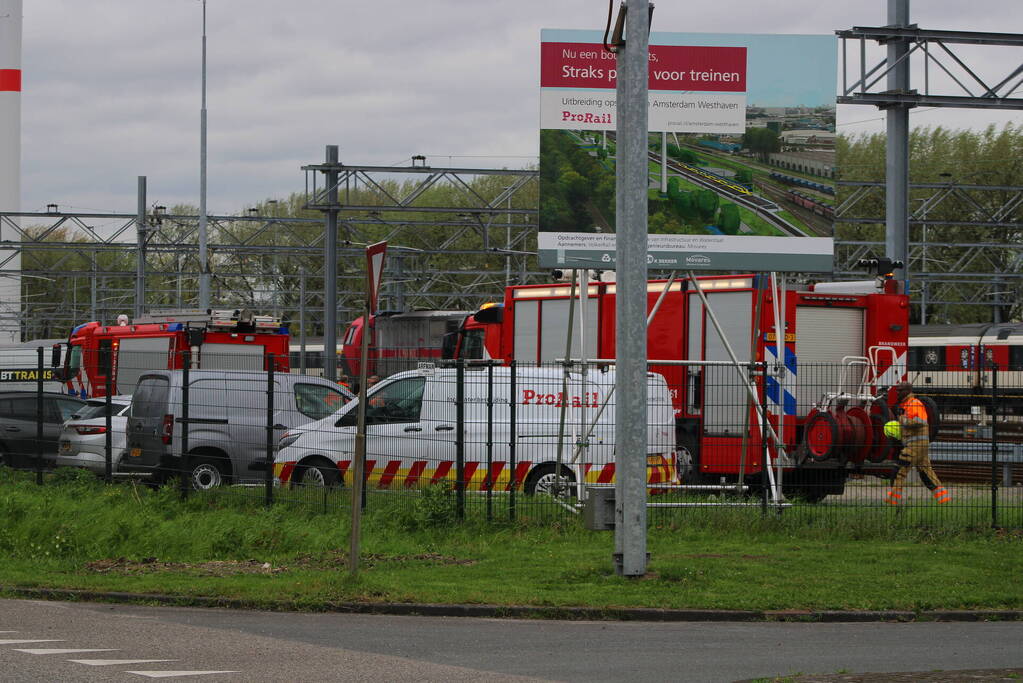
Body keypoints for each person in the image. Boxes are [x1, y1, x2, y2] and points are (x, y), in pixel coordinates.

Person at [884, 381, 950, 506]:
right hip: (918, 444)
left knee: (899, 470)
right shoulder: (906, 404)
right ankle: (944, 499)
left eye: (900, 390)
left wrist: (902, 419)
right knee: (926, 473)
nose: (897, 392)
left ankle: (892, 502)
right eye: (897, 390)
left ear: (907, 391)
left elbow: (920, 421)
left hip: (916, 445)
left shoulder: (915, 404)